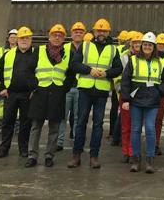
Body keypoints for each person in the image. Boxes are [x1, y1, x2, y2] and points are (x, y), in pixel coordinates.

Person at [68, 19, 122, 169]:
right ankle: (76, 155)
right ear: (94, 31)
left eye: (104, 31)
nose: (101, 33)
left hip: (101, 91)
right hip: (85, 89)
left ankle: (94, 156)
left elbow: (118, 69)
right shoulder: (85, 46)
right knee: (81, 122)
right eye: (99, 30)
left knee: (98, 124)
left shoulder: (113, 49)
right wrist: (89, 70)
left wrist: (106, 73)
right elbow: (74, 64)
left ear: (108, 33)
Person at [121, 32, 164, 174]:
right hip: (136, 101)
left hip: (152, 101)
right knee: (136, 129)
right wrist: (125, 99)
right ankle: (136, 159)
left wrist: (158, 90)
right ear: (141, 46)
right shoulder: (133, 60)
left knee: (150, 129)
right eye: (145, 45)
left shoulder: (161, 62)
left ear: (154, 47)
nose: (147, 47)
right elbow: (125, 81)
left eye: (150, 45)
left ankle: (150, 160)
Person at [25, 24, 75, 168]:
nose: (57, 37)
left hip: (57, 94)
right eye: (54, 34)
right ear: (49, 36)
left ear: (64, 38)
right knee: (36, 126)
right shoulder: (38, 50)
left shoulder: (68, 53)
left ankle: (49, 156)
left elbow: (71, 75)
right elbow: (29, 71)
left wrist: (63, 89)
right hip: (40, 93)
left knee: (54, 128)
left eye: (60, 35)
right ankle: (32, 156)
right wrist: (34, 86)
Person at [0, 27, 36, 158]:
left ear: (31, 40)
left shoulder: (37, 54)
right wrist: (1, 88)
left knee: (25, 124)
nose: (24, 40)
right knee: (7, 122)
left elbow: (41, 73)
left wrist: (35, 90)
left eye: (27, 38)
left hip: (28, 95)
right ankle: (4, 148)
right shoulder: (9, 54)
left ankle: (23, 149)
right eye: (22, 38)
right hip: (11, 94)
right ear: (17, 40)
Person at [56, 22, 86, 151]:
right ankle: (59, 142)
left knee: (79, 117)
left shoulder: (88, 48)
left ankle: (76, 142)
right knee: (62, 115)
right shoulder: (65, 48)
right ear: (71, 34)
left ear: (84, 34)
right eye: (76, 31)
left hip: (81, 87)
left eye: (80, 32)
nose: (78, 34)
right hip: (66, 87)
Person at [116, 31, 143, 162]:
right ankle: (126, 151)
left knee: (136, 126)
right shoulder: (123, 58)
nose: (137, 45)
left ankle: (133, 150)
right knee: (126, 125)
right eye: (135, 42)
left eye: (140, 42)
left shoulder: (146, 59)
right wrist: (120, 91)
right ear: (131, 44)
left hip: (140, 97)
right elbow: (118, 78)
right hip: (125, 95)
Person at [0, 29, 18, 134]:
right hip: (4, 82)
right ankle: (1, 124)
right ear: (8, 39)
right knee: (1, 104)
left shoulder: (20, 49)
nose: (13, 39)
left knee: (15, 106)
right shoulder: (2, 50)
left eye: (15, 37)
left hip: (14, 82)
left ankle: (16, 125)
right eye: (11, 37)